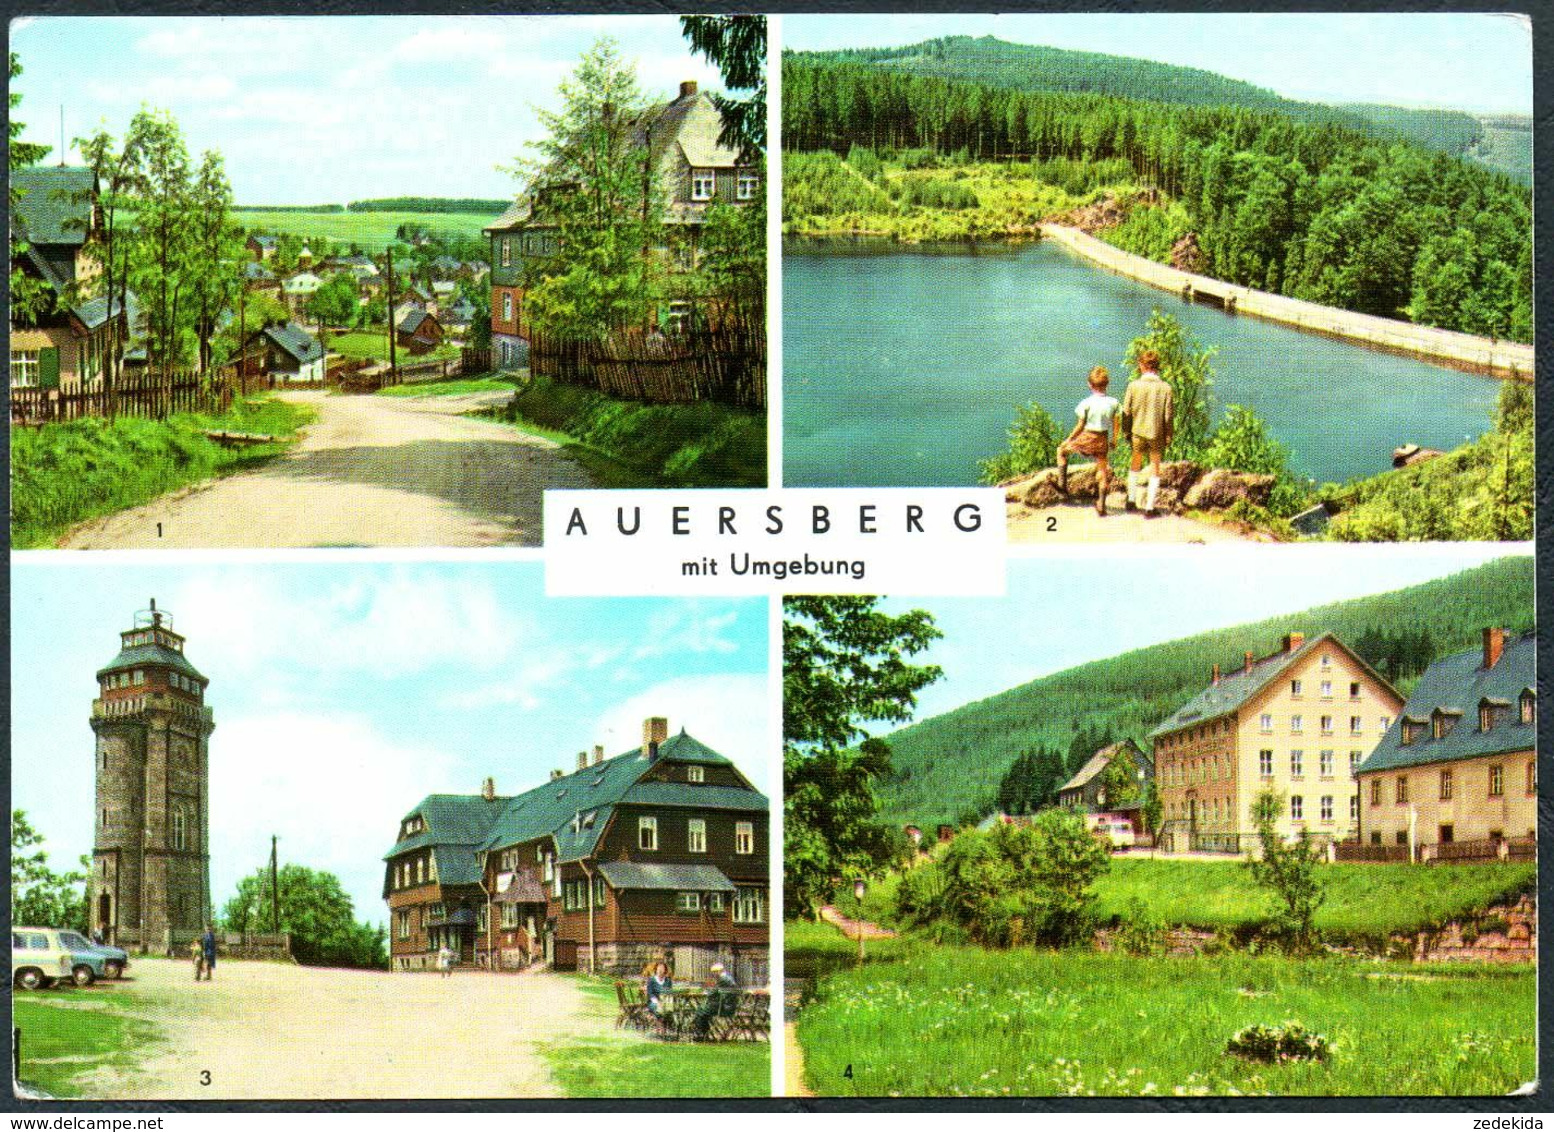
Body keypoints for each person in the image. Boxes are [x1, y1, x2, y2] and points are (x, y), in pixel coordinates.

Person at [1055, 365, 1119, 516]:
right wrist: (1114, 439)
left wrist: (1069, 439)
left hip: (1087, 437)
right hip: (1103, 438)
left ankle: (1062, 486)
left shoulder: (1086, 403)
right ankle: (1101, 504)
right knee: (1102, 471)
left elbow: (1080, 425)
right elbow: (1117, 424)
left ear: (1089, 384)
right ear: (1107, 384)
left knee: (1061, 451)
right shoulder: (1114, 403)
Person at [1119, 349, 1174, 518]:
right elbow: (1168, 416)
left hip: (1137, 431)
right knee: (1155, 467)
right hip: (1156, 433)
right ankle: (1150, 508)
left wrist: (1126, 431)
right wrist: (1168, 435)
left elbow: (1126, 412)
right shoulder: (1166, 388)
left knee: (1135, 463)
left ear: (1141, 366)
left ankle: (1131, 499)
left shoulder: (1133, 386)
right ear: (1158, 367)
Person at [693, 961, 740, 1040]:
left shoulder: (723, 979)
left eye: (714, 973)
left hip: (723, 1007)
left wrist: (706, 992)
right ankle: (704, 1033)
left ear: (718, 971)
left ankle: (703, 1034)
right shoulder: (729, 977)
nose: (714, 975)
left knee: (700, 1011)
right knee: (702, 1010)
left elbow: (714, 992)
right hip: (729, 1006)